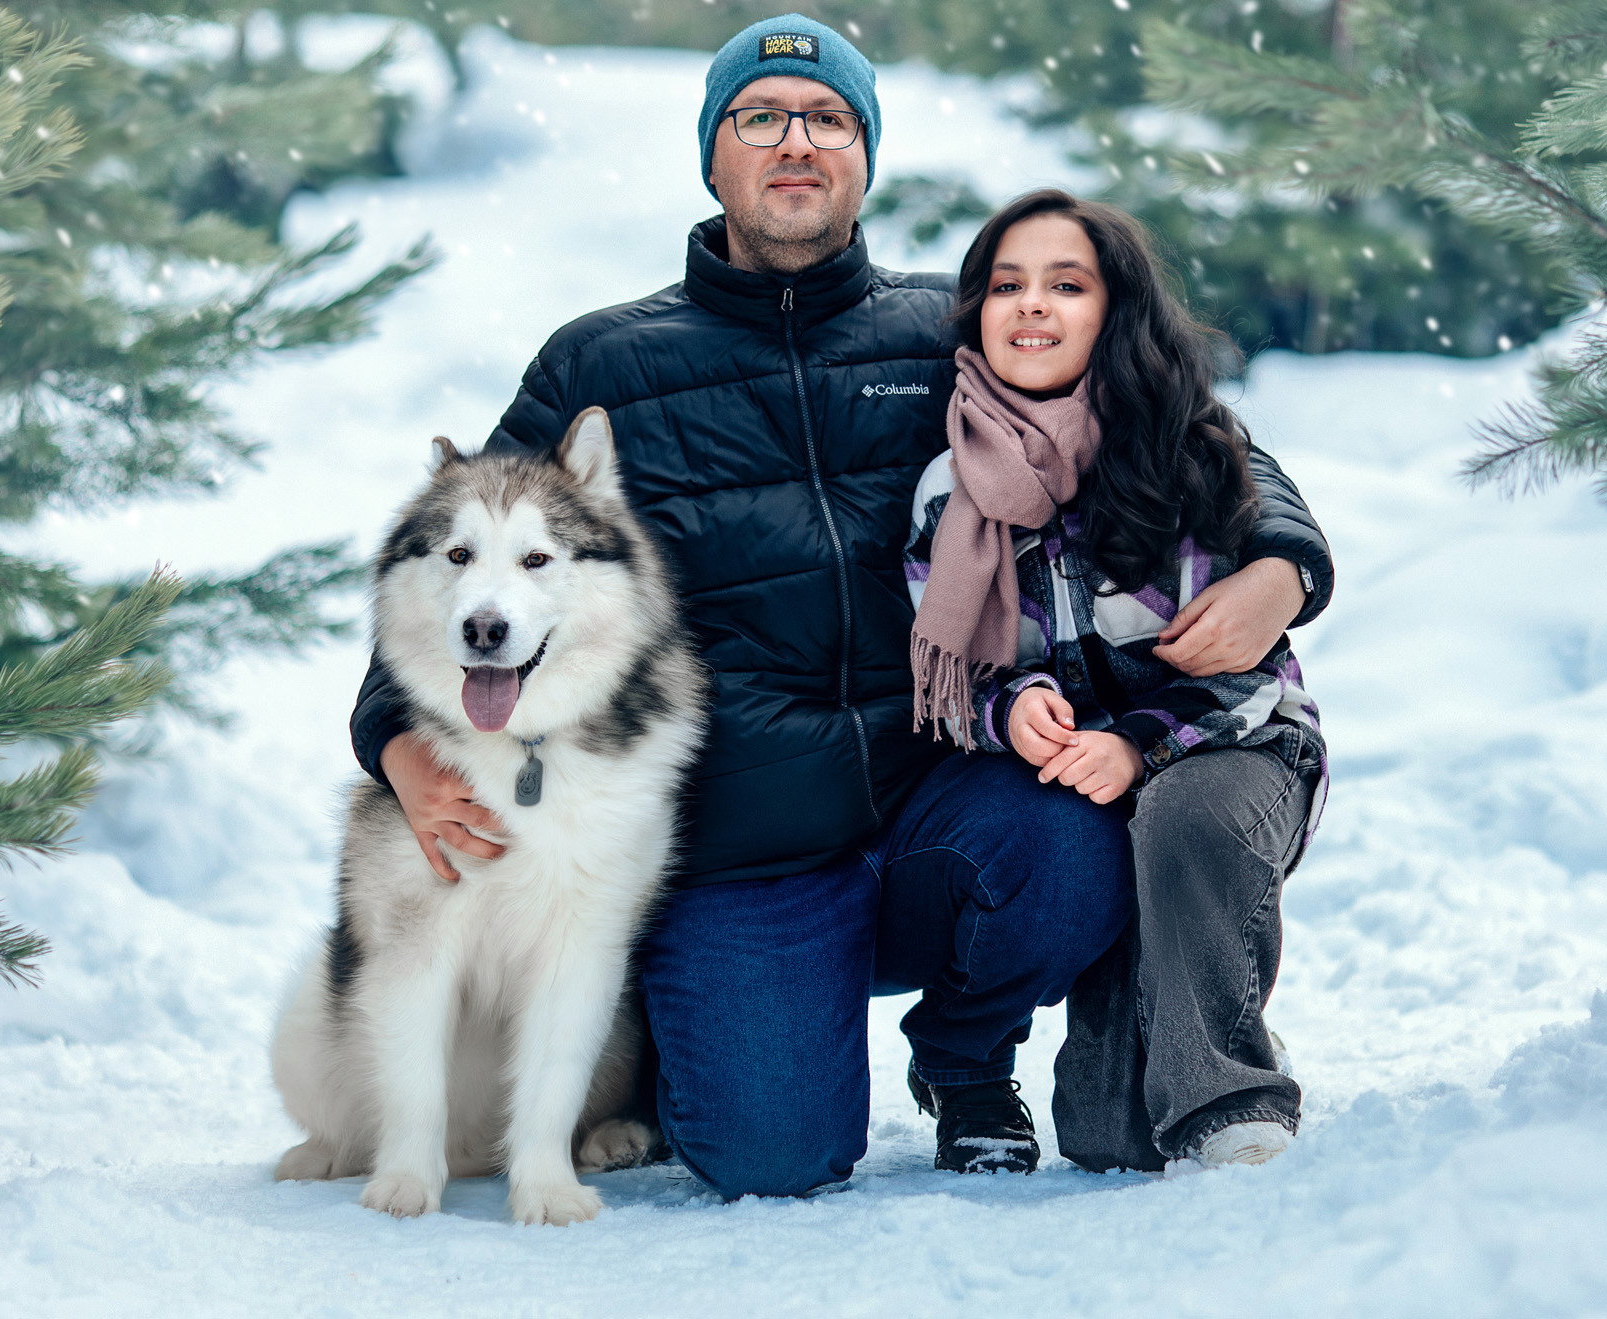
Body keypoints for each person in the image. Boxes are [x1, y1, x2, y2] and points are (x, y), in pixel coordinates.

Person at [347, 14, 1334, 1195]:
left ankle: (964, 1052)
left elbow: (1171, 419)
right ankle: (679, 1021)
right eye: (759, 118)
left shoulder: (940, 334)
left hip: (940, 790)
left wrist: (1281, 560)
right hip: (746, 836)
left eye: (827, 120)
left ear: (865, 154)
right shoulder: (605, 364)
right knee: (771, 1153)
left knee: (1075, 846)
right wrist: (396, 734)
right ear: (713, 155)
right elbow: (462, 545)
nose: (795, 142)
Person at [904, 189, 1326, 1170]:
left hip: (1230, 744)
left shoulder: (1181, 453)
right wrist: (1010, 710)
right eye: (1006, 285)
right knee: (1108, 1135)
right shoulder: (947, 486)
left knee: (1184, 817)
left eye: (1066, 284)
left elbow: (1248, 672)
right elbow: (945, 671)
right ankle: (1187, 1026)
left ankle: (1229, 1096)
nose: (1032, 307)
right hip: (1083, 779)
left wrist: (1135, 743)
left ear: (1113, 310)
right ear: (974, 314)